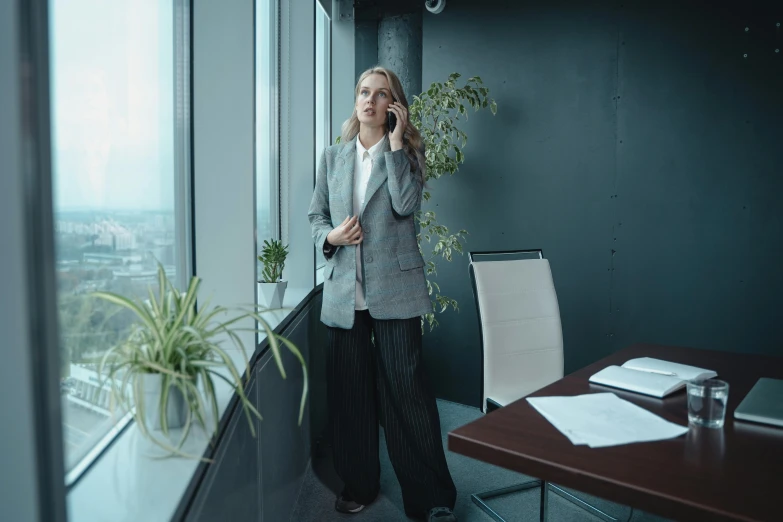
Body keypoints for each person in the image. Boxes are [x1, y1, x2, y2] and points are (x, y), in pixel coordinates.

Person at [308, 66, 458, 522]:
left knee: (407, 393)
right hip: (345, 292)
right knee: (350, 393)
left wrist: (395, 143)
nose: (368, 101)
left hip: (395, 289)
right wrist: (331, 237)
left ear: (394, 106)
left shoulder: (407, 153)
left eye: (380, 95)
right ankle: (359, 483)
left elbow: (405, 205)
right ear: (356, 100)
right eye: (363, 92)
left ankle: (431, 497)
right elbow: (316, 217)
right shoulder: (332, 157)